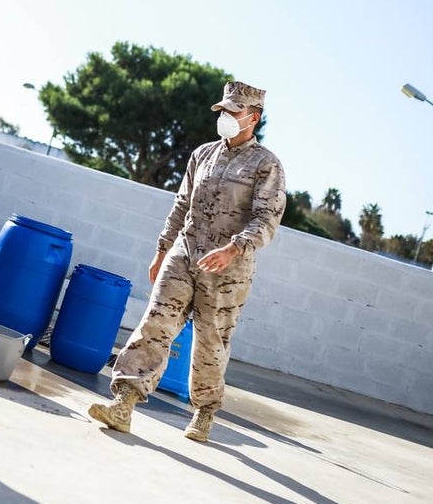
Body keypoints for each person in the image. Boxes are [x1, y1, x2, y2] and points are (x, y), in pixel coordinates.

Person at [88, 81, 286, 441]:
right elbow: (182, 205)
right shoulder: (202, 154)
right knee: (156, 322)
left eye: (233, 112)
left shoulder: (266, 165)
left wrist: (233, 249)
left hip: (229, 268)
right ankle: (124, 403)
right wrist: (163, 249)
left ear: (253, 118)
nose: (225, 117)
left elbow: (267, 218)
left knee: (211, 342)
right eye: (223, 111)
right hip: (185, 252)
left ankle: (205, 412)